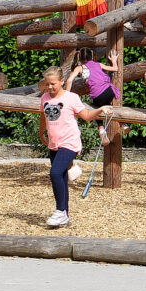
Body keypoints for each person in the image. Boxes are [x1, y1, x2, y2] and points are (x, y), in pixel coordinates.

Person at [38, 66, 114, 227]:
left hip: (70, 143)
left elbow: (86, 116)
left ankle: (60, 211)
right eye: (47, 84)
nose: (49, 87)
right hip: (54, 143)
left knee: (55, 173)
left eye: (53, 84)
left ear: (62, 81)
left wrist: (100, 109)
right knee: (62, 177)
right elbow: (43, 116)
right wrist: (41, 133)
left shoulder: (71, 98)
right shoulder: (45, 97)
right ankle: (64, 214)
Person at [64, 48, 128, 145]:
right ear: (93, 57)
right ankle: (123, 124)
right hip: (110, 91)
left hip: (98, 94)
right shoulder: (98, 64)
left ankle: (101, 129)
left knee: (96, 108)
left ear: (80, 58)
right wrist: (114, 60)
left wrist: (67, 95)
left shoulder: (80, 68)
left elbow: (69, 80)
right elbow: (115, 69)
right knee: (107, 105)